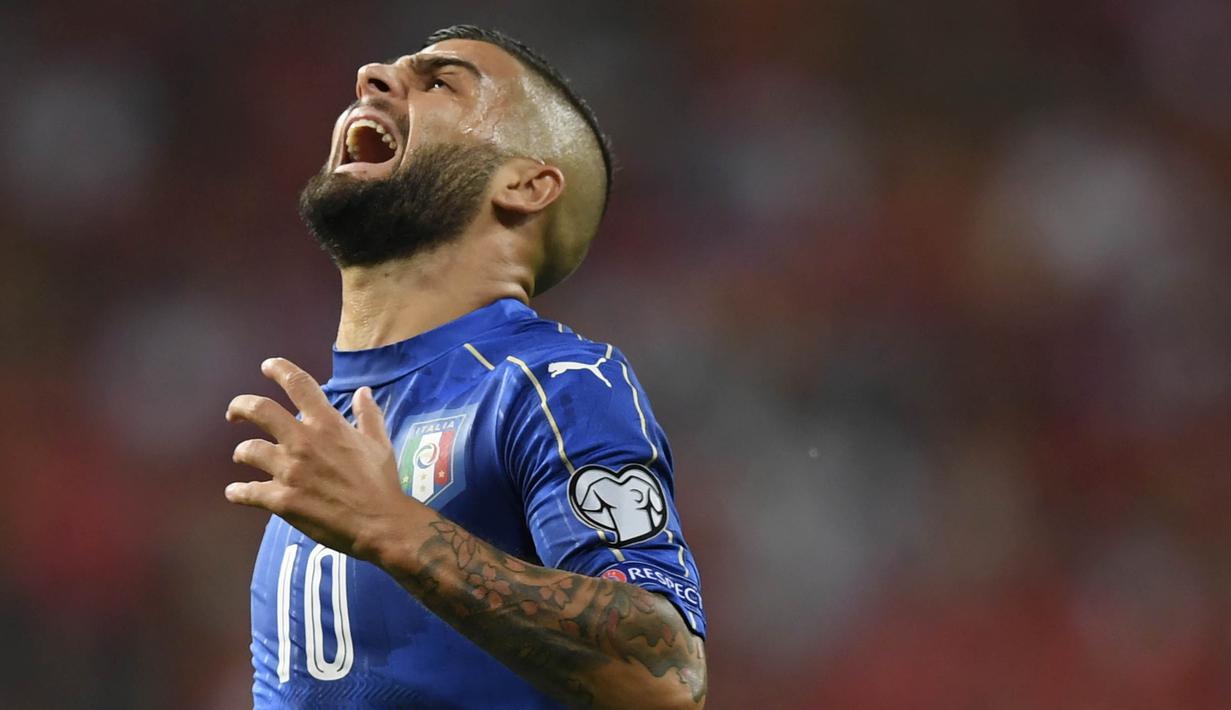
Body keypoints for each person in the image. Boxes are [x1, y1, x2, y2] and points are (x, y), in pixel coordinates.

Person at [223, 25, 707, 709]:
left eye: (440, 81)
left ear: (525, 184)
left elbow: (665, 675)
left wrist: (393, 527)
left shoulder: (554, 382)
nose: (370, 76)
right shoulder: (325, 439)